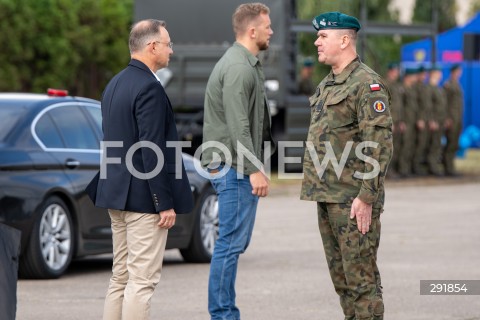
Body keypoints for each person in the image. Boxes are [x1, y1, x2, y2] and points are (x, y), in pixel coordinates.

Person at [86, 19, 193, 320]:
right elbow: (150, 149)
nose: (171, 50)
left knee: (120, 277)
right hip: (143, 200)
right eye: (168, 43)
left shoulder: (114, 83)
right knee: (142, 281)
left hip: (115, 194)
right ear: (152, 46)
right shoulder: (149, 88)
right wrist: (164, 202)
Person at [301, 12, 392, 320]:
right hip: (328, 197)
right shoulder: (327, 84)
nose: (317, 42)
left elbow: (378, 144)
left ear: (344, 40)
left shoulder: (367, 84)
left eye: (323, 37)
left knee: (361, 282)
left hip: (353, 200)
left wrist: (367, 197)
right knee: (342, 282)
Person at [201, 3, 275, 319]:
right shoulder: (238, 68)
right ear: (252, 30)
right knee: (229, 244)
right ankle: (222, 315)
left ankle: (225, 311)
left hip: (234, 163)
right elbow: (238, 124)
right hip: (232, 166)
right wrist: (254, 169)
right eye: (268, 27)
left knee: (234, 244)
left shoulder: (246, 64)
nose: (272, 31)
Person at [443, 64, 464, 176]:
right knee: (450, 143)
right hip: (451, 119)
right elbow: (445, 103)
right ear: (453, 72)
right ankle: (448, 167)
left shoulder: (457, 85)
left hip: (457, 119)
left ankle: (451, 166)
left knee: (454, 143)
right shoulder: (448, 85)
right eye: (457, 71)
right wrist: (447, 118)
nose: (459, 73)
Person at [427, 65, 447, 176]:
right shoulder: (429, 88)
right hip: (434, 121)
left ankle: (435, 165)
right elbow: (428, 106)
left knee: (438, 144)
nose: (440, 75)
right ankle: (432, 167)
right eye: (438, 73)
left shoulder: (438, 88)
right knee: (433, 144)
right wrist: (432, 120)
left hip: (440, 120)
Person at [384, 62, 403, 178]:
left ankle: (393, 169)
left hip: (397, 120)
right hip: (390, 121)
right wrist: (389, 122)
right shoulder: (386, 85)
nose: (396, 74)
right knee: (388, 148)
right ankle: (388, 171)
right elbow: (385, 105)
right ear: (390, 71)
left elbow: (398, 106)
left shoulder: (396, 85)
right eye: (395, 71)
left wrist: (400, 121)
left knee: (396, 146)